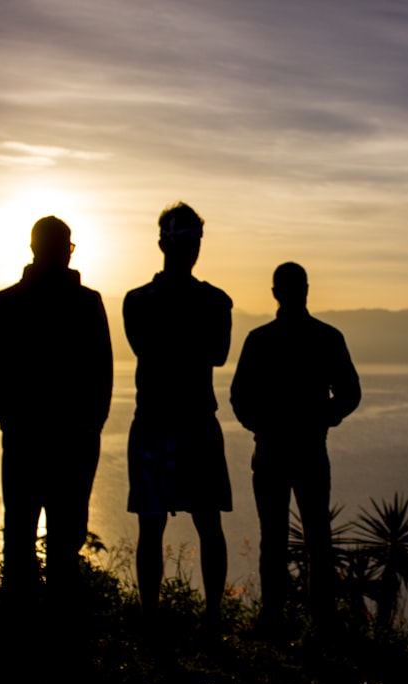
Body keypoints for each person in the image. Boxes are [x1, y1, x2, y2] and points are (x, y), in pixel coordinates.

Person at [0, 216, 113, 614]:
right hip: (72, 439)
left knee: (21, 535)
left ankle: (18, 626)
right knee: (64, 539)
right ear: (62, 248)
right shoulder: (86, 302)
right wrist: (91, 427)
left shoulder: (2, 304)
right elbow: (101, 374)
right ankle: (61, 628)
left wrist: (11, 422)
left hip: (25, 437)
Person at [230, 262, 360, 634]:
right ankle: (319, 622)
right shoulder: (325, 337)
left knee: (276, 538)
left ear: (276, 293)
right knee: (316, 538)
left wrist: (263, 425)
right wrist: (323, 418)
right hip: (305, 450)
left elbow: (240, 397)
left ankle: (275, 618)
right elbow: (349, 394)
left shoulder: (260, 339)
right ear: (305, 289)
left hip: (273, 449)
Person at [123, 202, 232, 634]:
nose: (190, 248)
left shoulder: (140, 302)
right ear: (164, 243)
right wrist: (191, 338)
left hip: (163, 420)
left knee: (176, 524)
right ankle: (195, 618)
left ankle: (188, 617)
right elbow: (210, 352)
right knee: (181, 524)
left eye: (193, 240)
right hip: (183, 421)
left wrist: (173, 338)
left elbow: (157, 349)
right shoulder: (212, 302)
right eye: (184, 240)